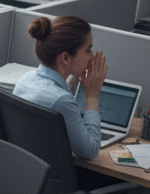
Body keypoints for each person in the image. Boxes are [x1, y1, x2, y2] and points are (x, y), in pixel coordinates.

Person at [13, 14, 105, 161]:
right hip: (55, 181)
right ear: (66, 58)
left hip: (27, 174)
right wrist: (92, 96)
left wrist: (74, 80)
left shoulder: (25, 80)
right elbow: (90, 150)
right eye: (88, 50)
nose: (92, 57)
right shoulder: (63, 102)